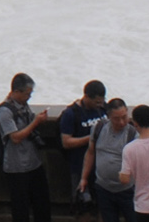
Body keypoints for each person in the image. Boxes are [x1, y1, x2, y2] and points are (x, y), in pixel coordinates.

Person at [0, 74, 51, 222]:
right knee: (20, 209)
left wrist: (38, 119)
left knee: (42, 205)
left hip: (33, 163)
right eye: (27, 94)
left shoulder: (23, 106)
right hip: (17, 167)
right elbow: (15, 137)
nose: (29, 97)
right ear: (17, 92)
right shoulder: (5, 111)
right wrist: (36, 122)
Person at [57, 84, 109, 213]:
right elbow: (66, 142)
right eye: (96, 102)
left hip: (102, 168)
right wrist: (91, 138)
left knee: (103, 207)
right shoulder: (71, 113)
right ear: (86, 97)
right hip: (79, 167)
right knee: (82, 207)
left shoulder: (104, 109)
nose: (99, 105)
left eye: (101, 101)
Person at [80, 99, 134, 222]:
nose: (121, 122)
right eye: (116, 118)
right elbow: (90, 153)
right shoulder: (98, 128)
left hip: (127, 190)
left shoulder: (132, 133)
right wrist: (84, 178)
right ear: (109, 117)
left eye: (124, 117)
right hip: (103, 188)